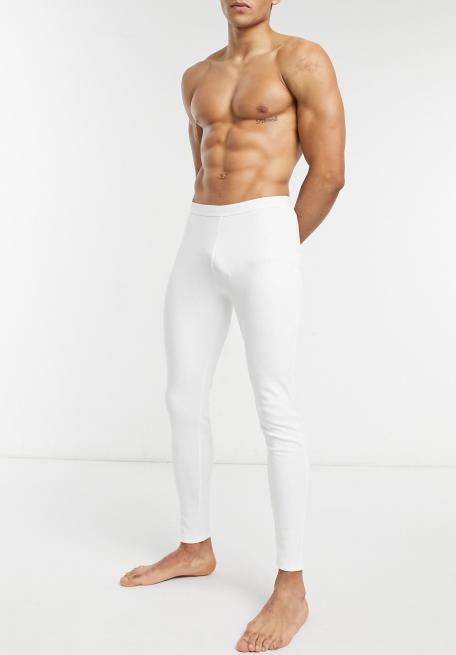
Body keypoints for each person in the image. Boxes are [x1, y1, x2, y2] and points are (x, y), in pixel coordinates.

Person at [119, 0, 345, 651]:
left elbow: (329, 172)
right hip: (200, 233)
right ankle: (195, 544)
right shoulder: (196, 75)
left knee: (274, 404)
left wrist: (278, 247)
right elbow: (202, 164)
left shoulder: (302, 59)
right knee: (182, 396)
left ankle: (291, 584)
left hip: (266, 230)